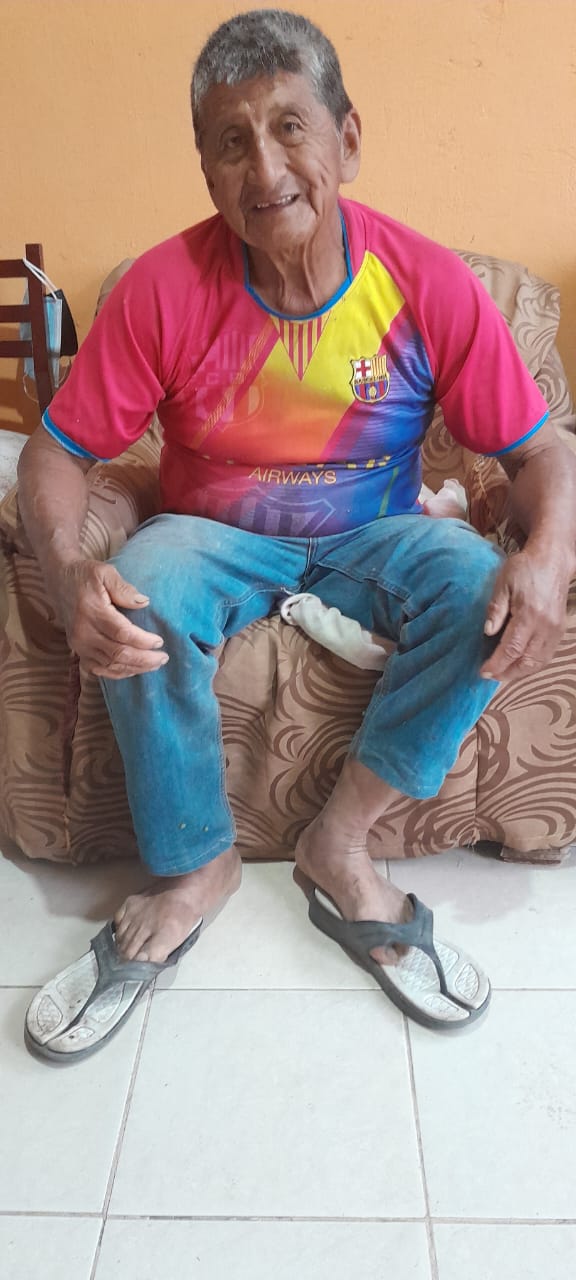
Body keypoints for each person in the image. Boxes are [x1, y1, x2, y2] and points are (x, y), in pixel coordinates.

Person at [18, 8, 576, 1062]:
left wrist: (549, 556)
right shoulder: (160, 290)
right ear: (205, 169)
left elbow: (544, 452)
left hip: (379, 532)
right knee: (140, 590)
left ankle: (341, 843)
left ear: (347, 140)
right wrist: (64, 564)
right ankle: (195, 866)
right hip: (211, 532)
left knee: (479, 587)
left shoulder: (426, 284)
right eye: (231, 142)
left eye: (289, 127)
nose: (265, 167)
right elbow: (53, 453)